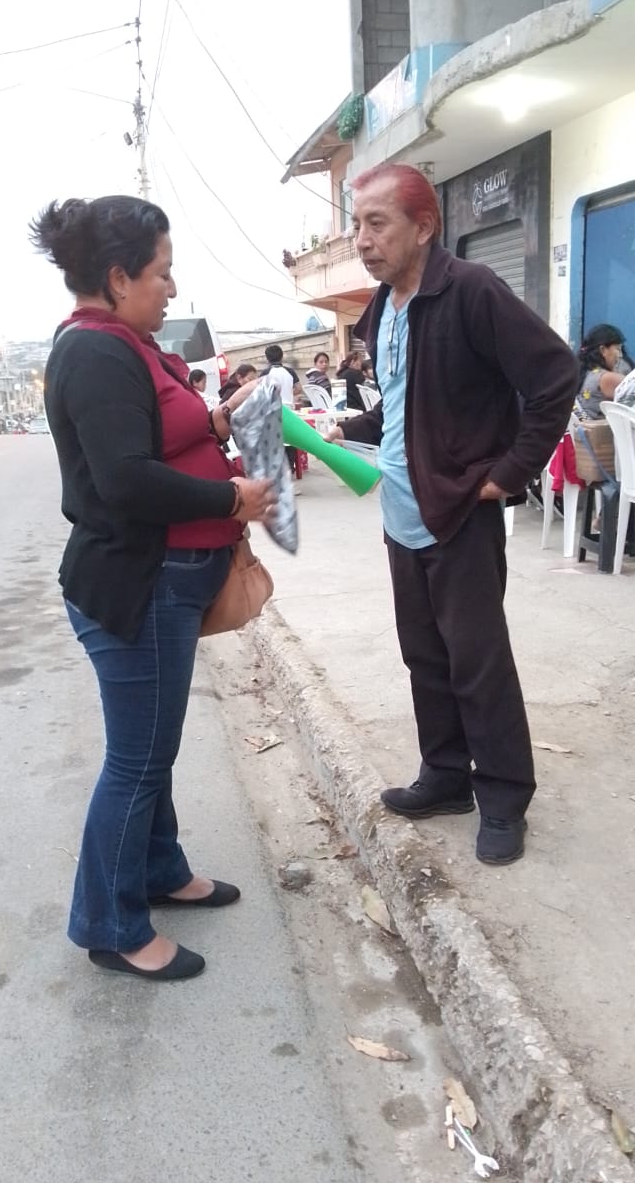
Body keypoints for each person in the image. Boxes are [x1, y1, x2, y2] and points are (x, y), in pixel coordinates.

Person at [32, 194, 276, 982]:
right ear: (118, 277)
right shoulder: (96, 354)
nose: (171, 288)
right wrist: (229, 499)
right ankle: (109, 924)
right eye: (162, 273)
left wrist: (216, 420)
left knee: (153, 747)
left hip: (166, 583)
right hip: (138, 587)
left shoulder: (125, 345)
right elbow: (127, 481)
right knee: (138, 760)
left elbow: (158, 435)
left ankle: (161, 870)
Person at [325, 164, 578, 865]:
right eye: (357, 225)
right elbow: (411, 399)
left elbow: (555, 376)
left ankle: (503, 796)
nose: (362, 240)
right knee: (425, 656)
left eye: (377, 224)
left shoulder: (471, 289)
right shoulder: (382, 307)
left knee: (478, 661)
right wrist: (350, 429)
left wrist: (509, 472)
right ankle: (445, 775)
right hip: (401, 513)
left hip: (460, 510)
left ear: (423, 228)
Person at [576, 324, 630, 417]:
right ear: (603, 350)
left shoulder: (586, 373)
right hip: (599, 427)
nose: (620, 355)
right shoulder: (606, 378)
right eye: (618, 349)